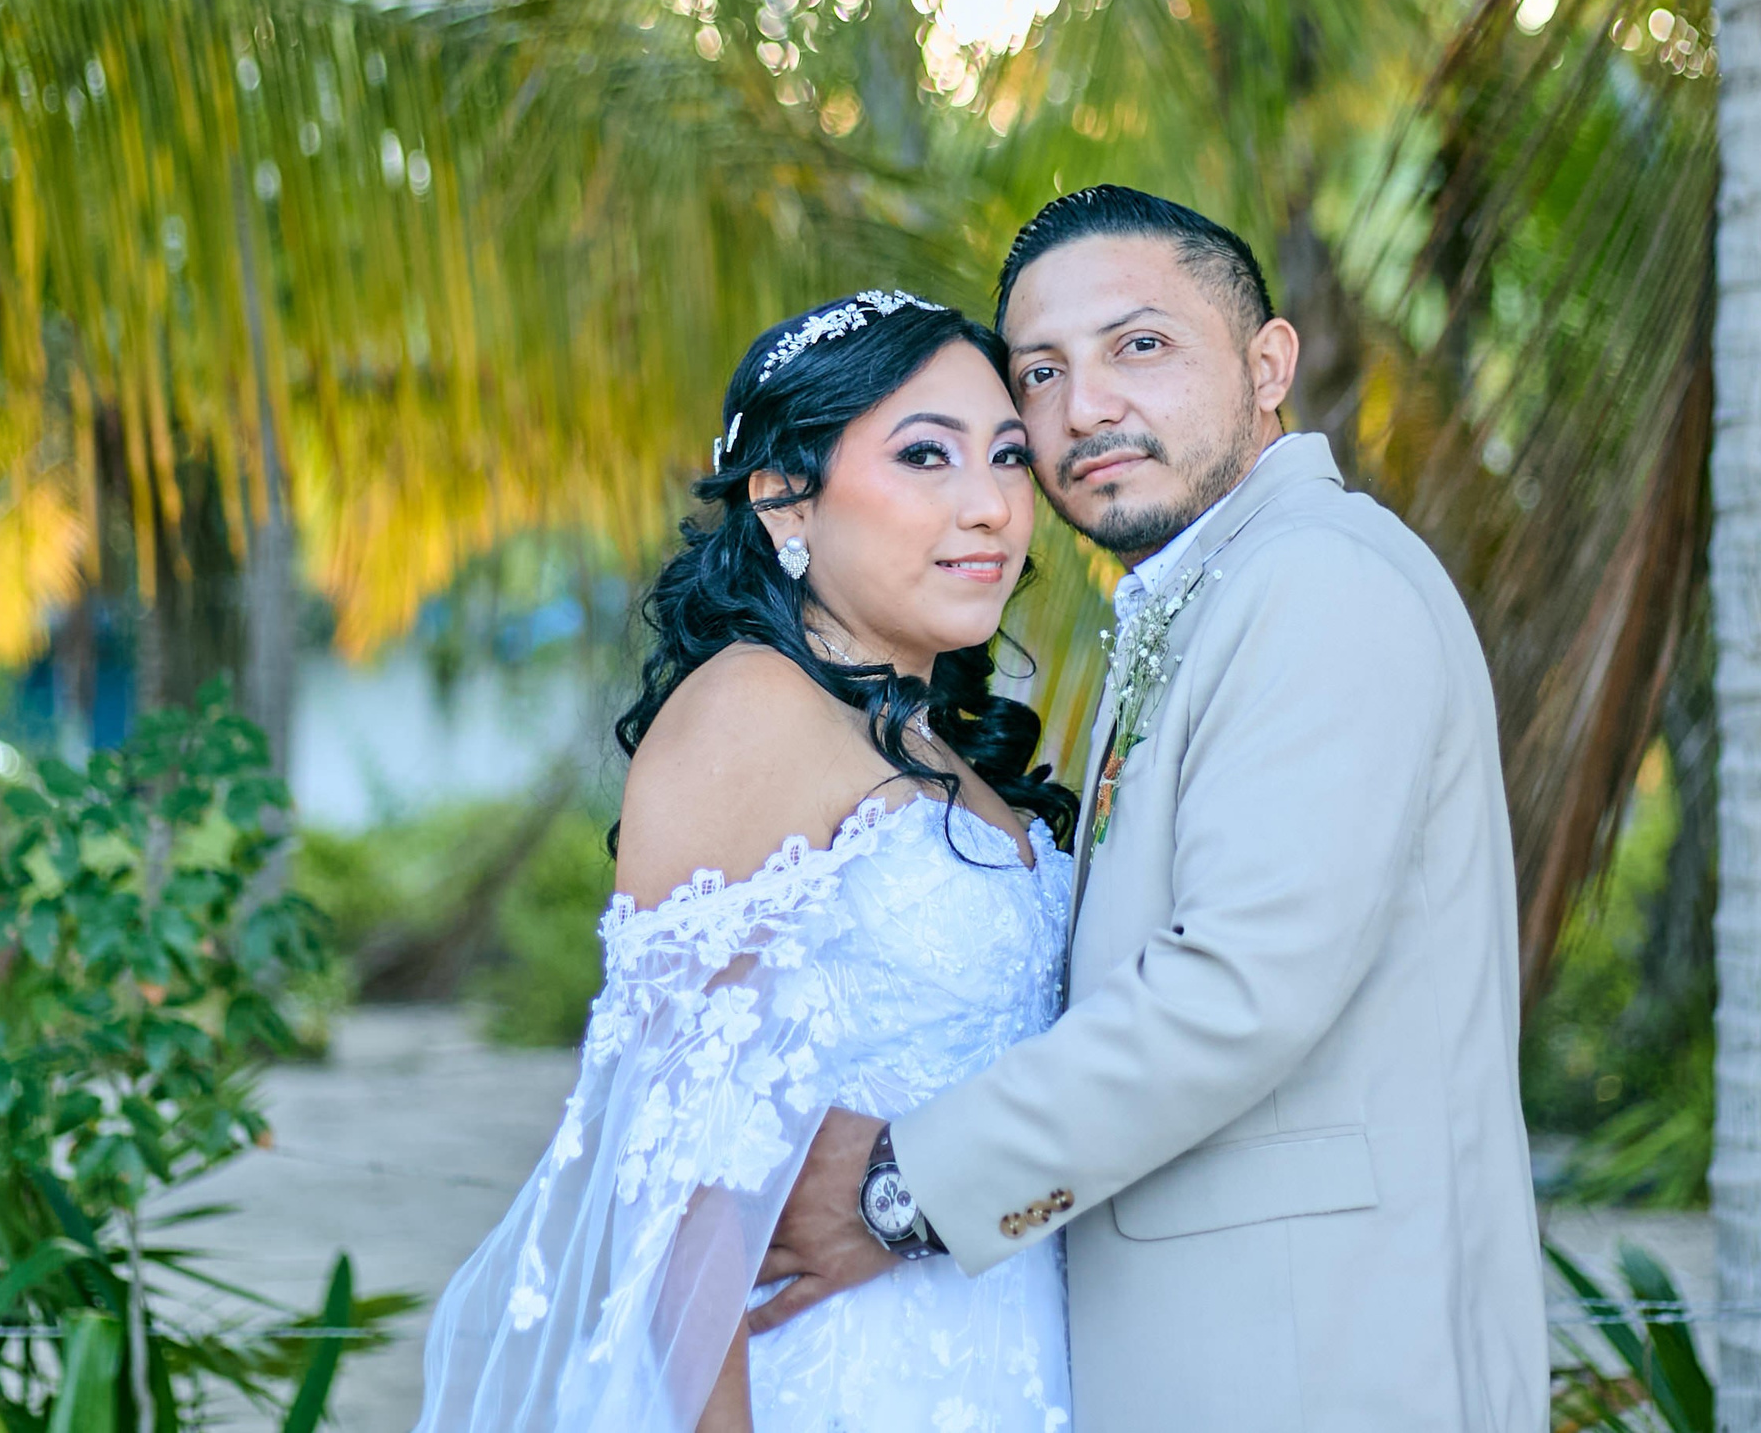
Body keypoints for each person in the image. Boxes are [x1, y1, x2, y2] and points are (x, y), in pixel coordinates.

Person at [752, 187, 1550, 1430]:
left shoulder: (1315, 581)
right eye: (1042, 373)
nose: (1088, 409)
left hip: (1314, 1364)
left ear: (1267, 362)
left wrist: (900, 1189)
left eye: (1140, 345)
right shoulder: (1219, 584)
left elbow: (1235, 990)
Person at [411, 290, 1083, 1432]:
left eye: (1009, 456)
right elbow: (679, 1185)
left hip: (997, 1352)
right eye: (926, 455)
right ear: (784, 499)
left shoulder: (930, 738)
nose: (989, 506)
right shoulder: (751, 712)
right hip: (831, 1377)